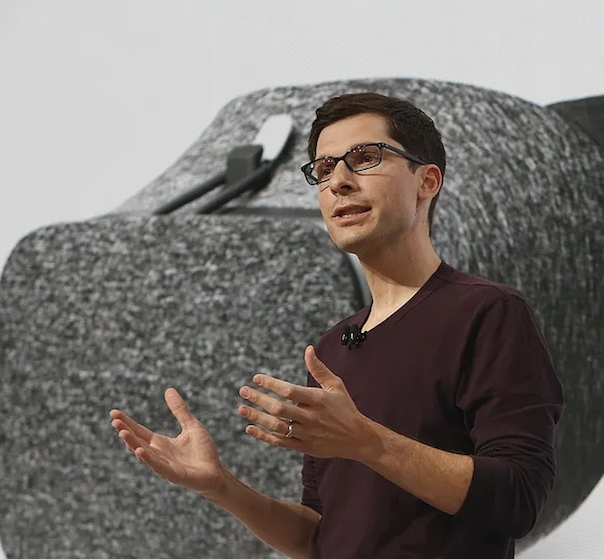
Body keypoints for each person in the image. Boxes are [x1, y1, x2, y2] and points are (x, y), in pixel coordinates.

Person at [109, 92, 564, 559]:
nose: (339, 182)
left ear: (427, 181)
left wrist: (366, 441)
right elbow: (316, 536)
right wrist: (220, 486)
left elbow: (519, 496)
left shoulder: (488, 312)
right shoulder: (332, 349)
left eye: (365, 158)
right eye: (324, 169)